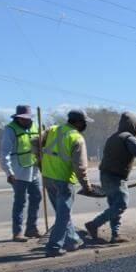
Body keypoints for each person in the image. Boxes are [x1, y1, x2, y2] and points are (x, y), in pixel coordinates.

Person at [85, 112, 136, 244]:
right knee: (121, 204)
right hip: (115, 177)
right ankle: (94, 224)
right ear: (133, 126)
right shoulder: (128, 138)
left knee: (114, 205)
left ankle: (115, 234)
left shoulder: (112, 137)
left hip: (105, 175)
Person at [40, 109, 94, 257]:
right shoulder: (76, 138)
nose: (85, 125)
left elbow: (34, 142)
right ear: (77, 122)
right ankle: (54, 246)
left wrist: (40, 162)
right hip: (64, 180)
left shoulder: (53, 129)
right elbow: (80, 167)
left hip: (48, 177)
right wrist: (87, 186)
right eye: (84, 122)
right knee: (63, 216)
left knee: (62, 213)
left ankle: (71, 240)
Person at [0, 104, 43, 242]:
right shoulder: (10, 129)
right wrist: (8, 172)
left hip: (33, 170)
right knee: (20, 201)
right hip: (18, 171)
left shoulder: (36, 127)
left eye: (28, 118)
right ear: (17, 118)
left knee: (36, 197)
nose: (26, 120)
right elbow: (4, 152)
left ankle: (31, 228)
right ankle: (17, 232)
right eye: (23, 118)